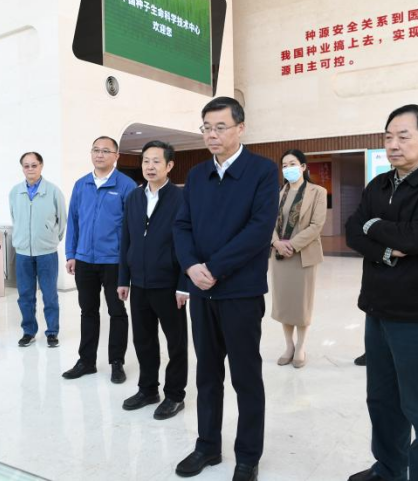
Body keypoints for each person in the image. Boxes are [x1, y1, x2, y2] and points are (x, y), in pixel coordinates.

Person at [346, 105, 418, 481]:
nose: (393, 145)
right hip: (379, 309)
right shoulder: (378, 184)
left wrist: (373, 225)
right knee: (382, 400)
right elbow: (352, 231)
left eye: (403, 136)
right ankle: (389, 468)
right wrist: (385, 247)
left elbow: (416, 237)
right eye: (388, 137)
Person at [173, 97, 279, 481]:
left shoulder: (262, 171)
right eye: (206, 128)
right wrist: (191, 267)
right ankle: (207, 446)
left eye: (220, 127)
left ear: (240, 128)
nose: (212, 135)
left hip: (240, 292)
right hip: (202, 292)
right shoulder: (197, 174)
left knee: (245, 376)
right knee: (206, 374)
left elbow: (259, 230)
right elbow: (181, 225)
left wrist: (214, 268)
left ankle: (248, 455)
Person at [117, 140, 188, 420]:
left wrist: (184, 284)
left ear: (169, 165)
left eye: (156, 161)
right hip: (139, 283)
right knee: (143, 340)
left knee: (176, 343)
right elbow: (126, 240)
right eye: (146, 160)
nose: (150, 166)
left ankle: (175, 395)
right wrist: (123, 278)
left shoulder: (181, 198)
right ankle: (148, 389)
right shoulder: (134, 197)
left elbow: (189, 244)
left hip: (169, 284)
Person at [63, 136, 136, 383]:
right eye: (96, 150)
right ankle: (86, 361)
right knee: (88, 311)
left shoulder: (126, 186)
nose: (100, 154)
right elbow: (73, 221)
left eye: (106, 151)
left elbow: (132, 228)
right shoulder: (81, 184)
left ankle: (116, 362)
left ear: (117, 156)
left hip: (114, 261)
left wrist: (127, 263)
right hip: (84, 260)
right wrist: (71, 254)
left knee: (117, 311)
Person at [270, 149, 327, 369]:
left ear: (303, 167)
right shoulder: (277, 193)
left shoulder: (317, 192)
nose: (288, 169)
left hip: (302, 255)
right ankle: (289, 346)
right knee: (284, 304)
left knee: (301, 305)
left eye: (292, 164)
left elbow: (316, 225)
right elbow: (267, 222)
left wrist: (291, 245)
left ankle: (301, 347)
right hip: (280, 256)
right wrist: (276, 243)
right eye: (284, 166)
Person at [9, 152, 67, 348]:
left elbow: (62, 220)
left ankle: (52, 332)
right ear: (22, 168)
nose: (30, 169)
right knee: (25, 295)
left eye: (34, 165)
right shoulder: (15, 192)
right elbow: (15, 218)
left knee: (50, 295)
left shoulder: (53, 191)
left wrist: (50, 239)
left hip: (47, 253)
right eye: (26, 166)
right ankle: (29, 331)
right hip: (23, 253)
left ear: (41, 166)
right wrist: (22, 239)